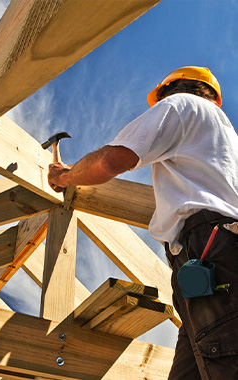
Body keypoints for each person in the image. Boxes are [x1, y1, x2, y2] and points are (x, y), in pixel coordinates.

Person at [48, 66, 238, 380]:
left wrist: (65, 176)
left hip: (210, 253)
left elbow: (111, 160)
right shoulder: (227, 139)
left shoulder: (181, 106)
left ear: (170, 90)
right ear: (214, 97)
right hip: (216, 261)